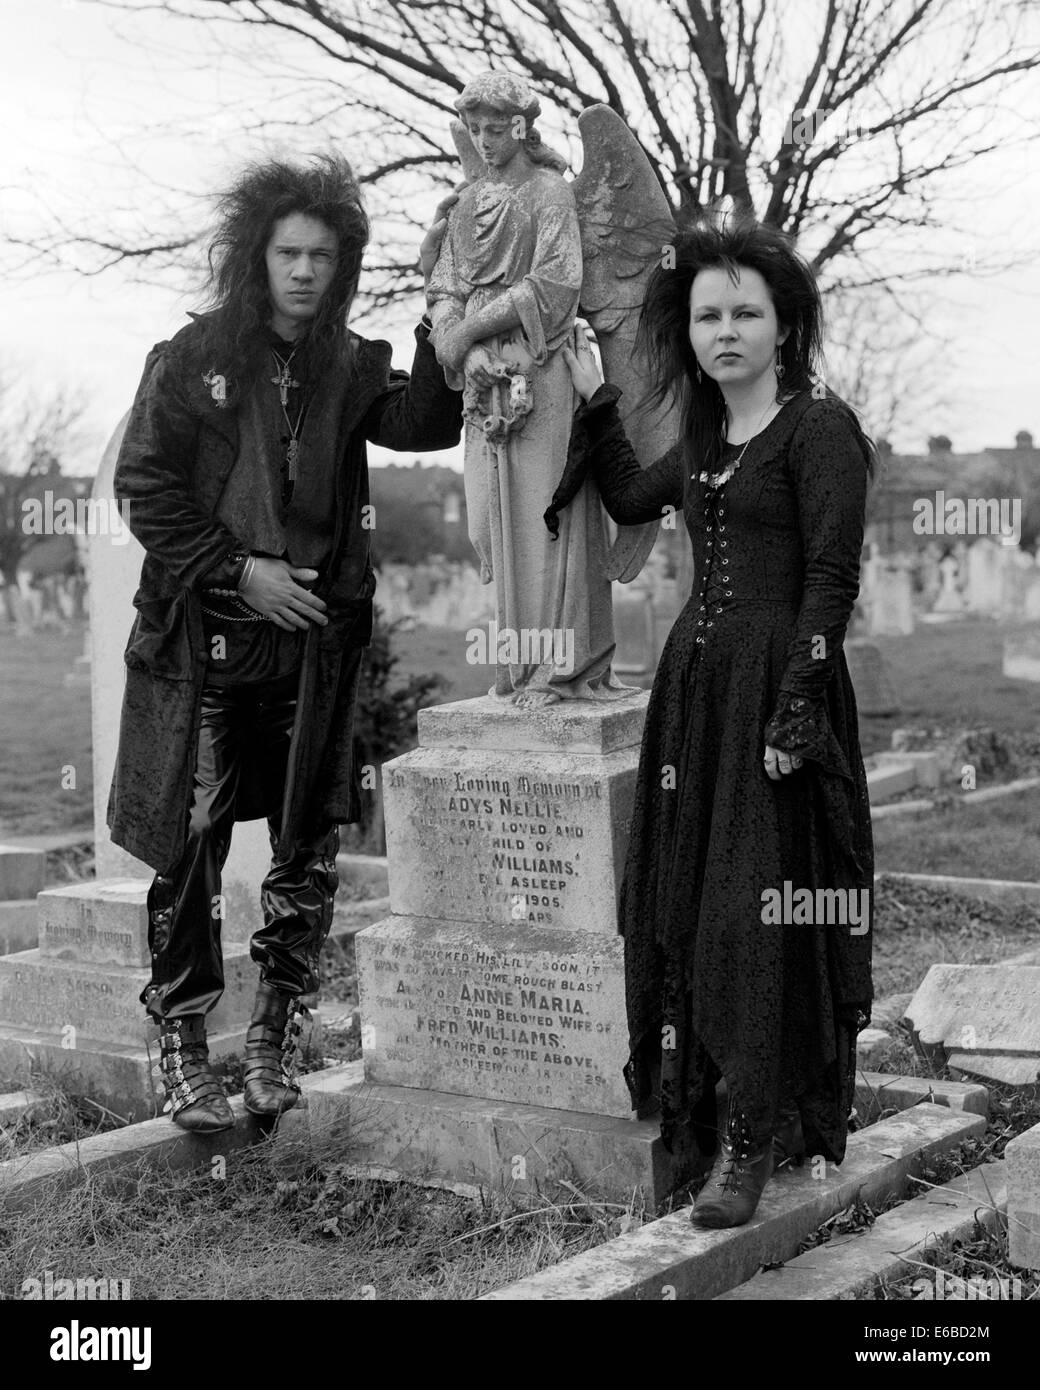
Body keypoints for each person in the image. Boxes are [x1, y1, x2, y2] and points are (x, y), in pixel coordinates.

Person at [110, 155, 463, 1133]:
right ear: (256, 257)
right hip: (207, 649)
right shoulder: (188, 359)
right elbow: (145, 486)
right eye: (288, 252)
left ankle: (271, 1038)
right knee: (189, 843)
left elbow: (425, 418)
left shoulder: (348, 366)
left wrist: (445, 313)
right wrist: (238, 569)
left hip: (312, 652)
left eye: (322, 255)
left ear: (340, 265)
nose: (304, 270)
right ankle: (182, 1045)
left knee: (304, 842)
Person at [559, 214, 875, 1227]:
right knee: (690, 904)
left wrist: (795, 711)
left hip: (775, 693)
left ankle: (753, 1134)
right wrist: (589, 394)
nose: (725, 329)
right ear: (688, 332)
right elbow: (628, 494)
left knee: (755, 912)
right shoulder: (703, 435)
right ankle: (691, 1117)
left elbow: (830, 577)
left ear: (782, 326)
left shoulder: (818, 429)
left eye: (746, 311)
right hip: (691, 698)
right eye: (707, 315)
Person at [427, 71, 629, 708]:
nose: (484, 141)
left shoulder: (548, 194)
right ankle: (518, 666)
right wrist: (454, 342)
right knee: (495, 520)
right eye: (476, 129)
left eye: (497, 128)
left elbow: (555, 286)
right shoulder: (465, 204)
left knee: (548, 516)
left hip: (542, 367)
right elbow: (445, 289)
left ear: (522, 127)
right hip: (484, 381)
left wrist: (470, 334)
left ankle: (561, 670)